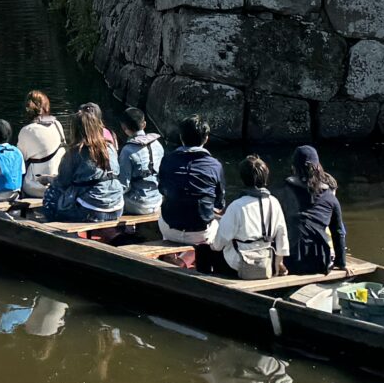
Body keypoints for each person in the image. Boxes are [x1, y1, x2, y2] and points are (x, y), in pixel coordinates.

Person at [211, 154, 291, 279]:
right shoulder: (273, 202)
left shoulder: (237, 206)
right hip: (266, 263)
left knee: (207, 251)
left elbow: (218, 244)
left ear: (243, 179)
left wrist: (212, 244)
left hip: (238, 264)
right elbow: (282, 236)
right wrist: (278, 264)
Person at [41, 103, 123, 222]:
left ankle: (50, 227)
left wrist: (48, 179)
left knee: (52, 193)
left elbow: (62, 183)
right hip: (117, 207)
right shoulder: (110, 147)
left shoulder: (74, 153)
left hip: (92, 211)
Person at [156, 116, 224, 245]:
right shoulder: (215, 166)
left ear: (181, 137)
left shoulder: (168, 160)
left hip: (169, 229)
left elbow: (162, 189)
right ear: (206, 138)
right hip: (200, 234)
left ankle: (172, 257)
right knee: (217, 224)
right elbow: (219, 202)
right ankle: (185, 260)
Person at [284, 144, 348, 277]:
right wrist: (341, 263)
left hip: (291, 261)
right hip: (320, 261)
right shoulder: (330, 198)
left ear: (293, 168)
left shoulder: (283, 192)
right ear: (319, 168)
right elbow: (338, 232)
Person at [114, 105, 164, 219]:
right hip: (157, 200)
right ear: (144, 124)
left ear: (124, 127)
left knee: (115, 199)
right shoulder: (158, 145)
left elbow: (124, 186)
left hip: (138, 204)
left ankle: (128, 229)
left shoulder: (127, 151)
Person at [15, 91, 66, 193]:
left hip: (35, 188)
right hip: (59, 184)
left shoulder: (26, 131)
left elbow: (19, 160)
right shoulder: (57, 124)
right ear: (46, 107)